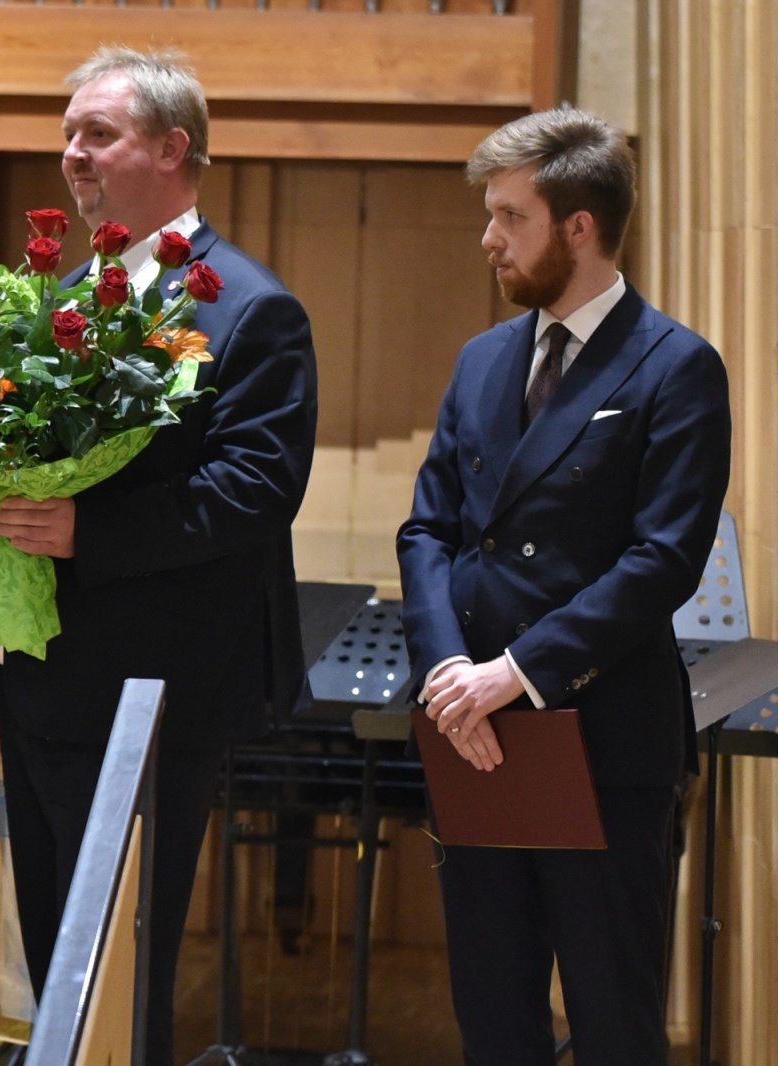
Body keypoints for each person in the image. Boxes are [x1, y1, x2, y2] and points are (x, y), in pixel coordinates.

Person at [0, 47, 317, 1066]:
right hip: (31, 674)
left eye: (98, 134)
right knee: (51, 966)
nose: (71, 155)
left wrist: (92, 534)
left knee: (117, 964)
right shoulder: (54, 298)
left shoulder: (248, 310)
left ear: (173, 149)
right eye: (68, 135)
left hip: (150, 692)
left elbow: (256, 490)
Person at [396, 107, 730, 1065]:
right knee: (493, 1022)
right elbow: (429, 528)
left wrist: (516, 671)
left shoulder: (675, 366)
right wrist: (448, 670)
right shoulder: (482, 357)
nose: (488, 238)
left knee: (616, 1026)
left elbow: (663, 560)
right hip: (475, 732)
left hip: (600, 740)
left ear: (578, 226)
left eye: (510, 217)